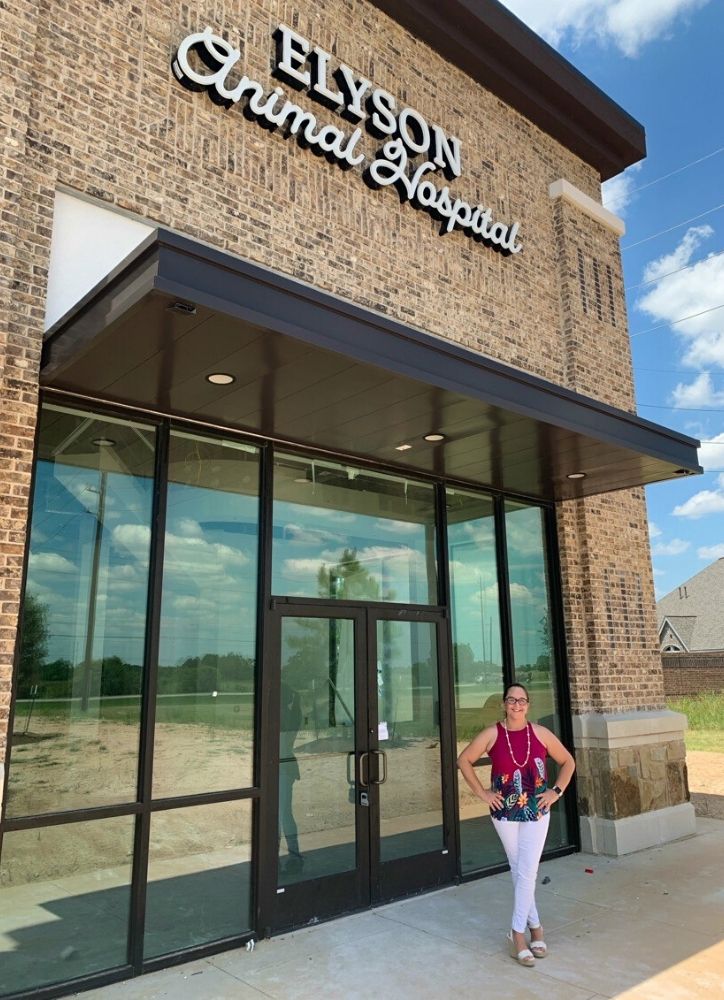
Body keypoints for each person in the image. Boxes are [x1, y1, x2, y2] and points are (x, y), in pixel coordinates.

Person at [457, 682, 575, 967]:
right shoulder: (492, 734)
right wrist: (483, 794)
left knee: (527, 871)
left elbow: (568, 762)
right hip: (504, 813)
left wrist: (555, 792)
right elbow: (464, 760)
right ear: (504, 704)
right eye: (512, 700)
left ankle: (517, 934)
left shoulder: (541, 733)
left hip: (537, 811)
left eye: (522, 700)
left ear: (528, 705)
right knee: (520, 870)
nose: (517, 705)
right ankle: (536, 929)